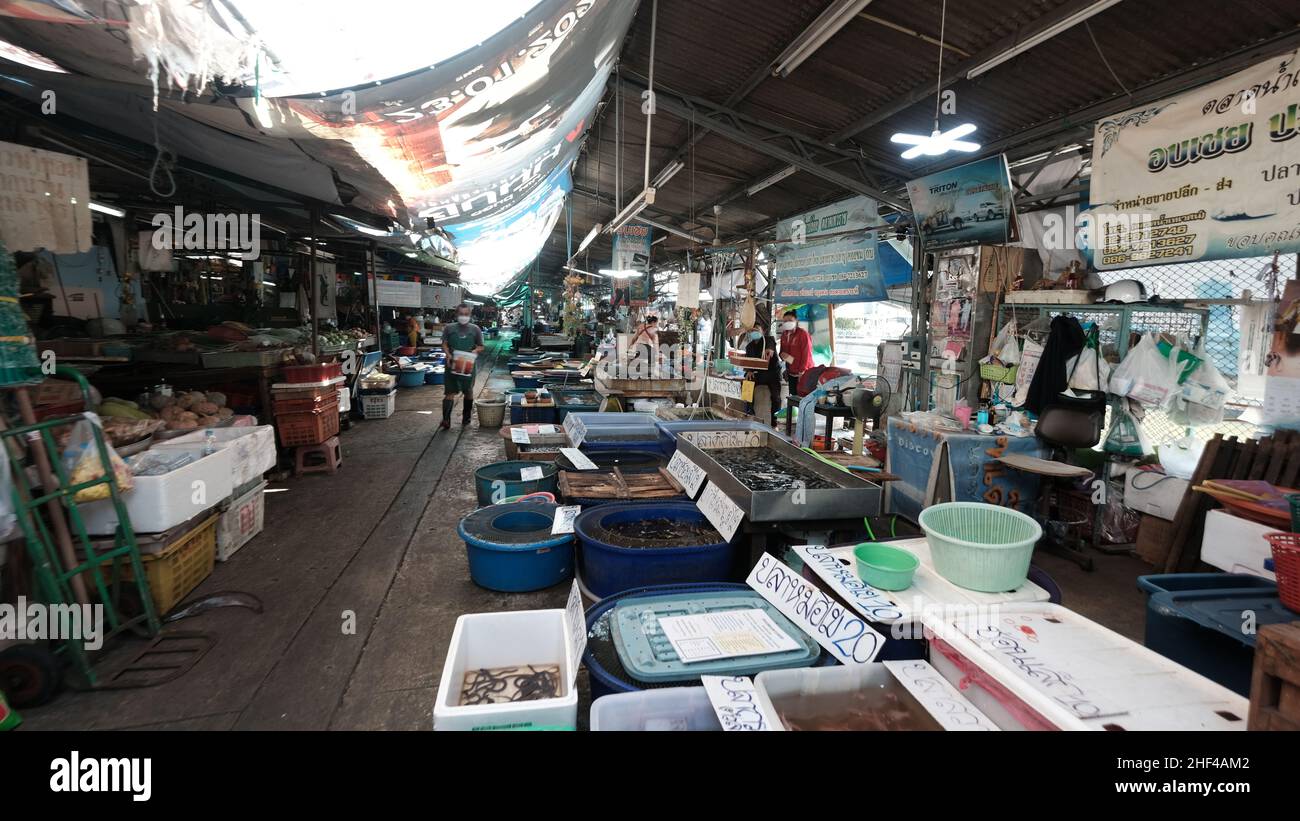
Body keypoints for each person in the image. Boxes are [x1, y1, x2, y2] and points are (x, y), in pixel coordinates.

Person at [441, 303, 485, 429]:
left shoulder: (475, 329)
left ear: (470, 315)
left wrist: (475, 351)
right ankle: (446, 420)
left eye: (466, 314)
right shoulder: (449, 328)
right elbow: (444, 343)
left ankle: (466, 418)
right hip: (452, 364)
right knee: (449, 392)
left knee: (468, 391)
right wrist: (448, 354)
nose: (463, 316)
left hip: (468, 365)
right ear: (456, 314)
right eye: (461, 314)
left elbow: (481, 346)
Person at [743, 326, 782, 427]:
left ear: (762, 331)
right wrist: (749, 371)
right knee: (747, 383)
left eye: (757, 330)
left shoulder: (769, 340)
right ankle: (749, 412)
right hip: (759, 374)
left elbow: (770, 346)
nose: (754, 332)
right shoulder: (749, 347)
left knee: (776, 397)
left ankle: (775, 422)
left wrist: (769, 350)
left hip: (773, 374)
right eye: (752, 330)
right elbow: (748, 362)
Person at [779, 309, 813, 407]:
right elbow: (781, 352)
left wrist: (802, 372)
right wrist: (782, 356)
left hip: (804, 373)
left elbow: (807, 355)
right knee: (793, 398)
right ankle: (794, 419)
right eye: (785, 321)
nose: (787, 323)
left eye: (790, 320)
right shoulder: (784, 335)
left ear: (796, 320)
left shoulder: (803, 334)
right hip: (791, 372)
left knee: (803, 400)